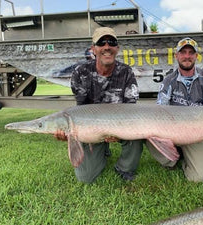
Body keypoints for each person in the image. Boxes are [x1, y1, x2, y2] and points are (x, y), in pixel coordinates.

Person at [55, 27, 143, 183]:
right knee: (86, 177)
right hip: (92, 126)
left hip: (121, 123)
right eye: (101, 43)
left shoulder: (127, 72)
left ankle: (124, 168)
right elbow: (81, 110)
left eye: (112, 43)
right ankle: (102, 150)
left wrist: (117, 131)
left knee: (137, 131)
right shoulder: (80, 72)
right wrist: (70, 133)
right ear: (93, 49)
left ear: (117, 48)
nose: (107, 47)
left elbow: (131, 110)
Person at [147, 37, 203, 183]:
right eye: (183, 52)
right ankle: (172, 160)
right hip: (173, 132)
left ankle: (188, 155)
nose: (187, 56)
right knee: (148, 134)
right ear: (176, 56)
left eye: (191, 53)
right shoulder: (168, 80)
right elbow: (160, 110)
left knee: (197, 178)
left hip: (197, 134)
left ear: (196, 56)